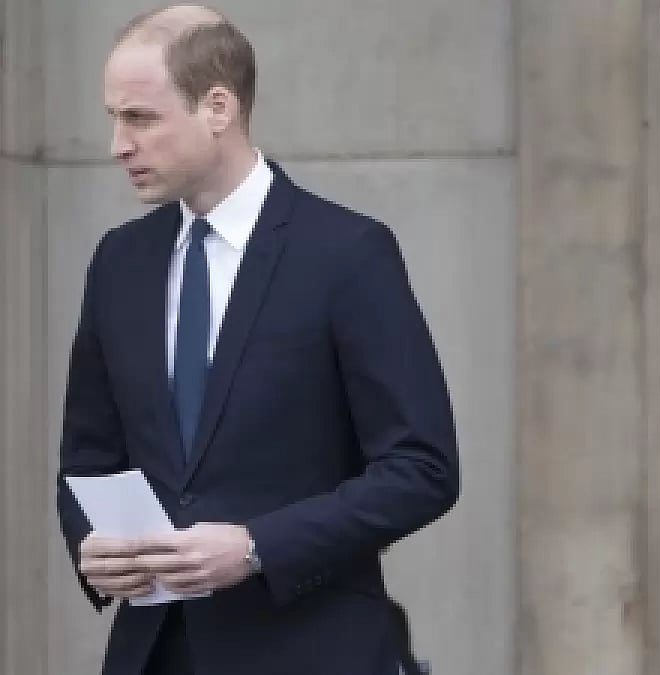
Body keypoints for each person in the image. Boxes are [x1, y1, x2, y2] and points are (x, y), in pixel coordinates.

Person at [55, 5, 459, 674]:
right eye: (113, 118)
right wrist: (91, 543)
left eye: (141, 118)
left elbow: (422, 468)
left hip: (312, 651)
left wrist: (255, 547)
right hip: (153, 654)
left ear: (218, 107)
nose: (117, 145)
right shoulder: (119, 262)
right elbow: (87, 458)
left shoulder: (346, 253)